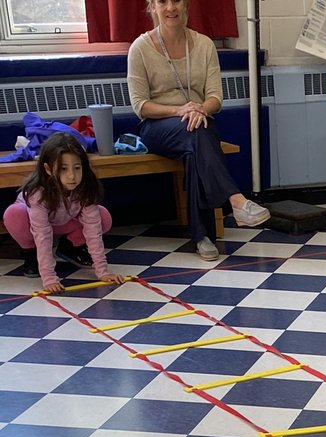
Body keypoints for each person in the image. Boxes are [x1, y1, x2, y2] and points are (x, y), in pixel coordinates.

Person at [127, 0, 269, 262]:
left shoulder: (204, 45)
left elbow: (216, 97)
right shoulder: (140, 48)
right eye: (162, 1)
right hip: (158, 126)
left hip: (197, 121)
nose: (171, 7)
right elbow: (141, 106)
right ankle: (236, 201)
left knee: (197, 140)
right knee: (199, 132)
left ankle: (203, 238)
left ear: (186, 6)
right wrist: (180, 111)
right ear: (153, 8)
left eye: (177, 0)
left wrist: (200, 109)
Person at [2, 133, 125, 294]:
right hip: (33, 226)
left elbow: (93, 230)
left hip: (63, 223)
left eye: (77, 168)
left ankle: (70, 247)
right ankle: (30, 252)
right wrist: (49, 278)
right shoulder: (38, 192)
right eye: (63, 169)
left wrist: (102, 271)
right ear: (48, 169)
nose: (72, 176)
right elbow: (42, 233)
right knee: (13, 214)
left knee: (103, 217)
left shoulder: (86, 187)